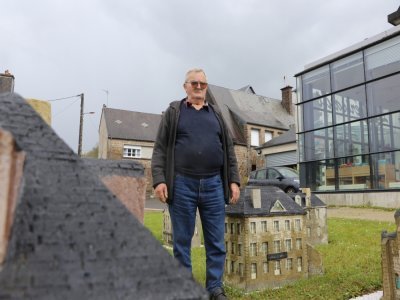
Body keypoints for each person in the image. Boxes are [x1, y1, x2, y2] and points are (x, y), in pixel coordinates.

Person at [151, 68, 240, 300]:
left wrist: (234, 180)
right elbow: (160, 148)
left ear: (206, 87)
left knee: (216, 242)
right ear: (185, 87)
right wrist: (159, 179)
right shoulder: (174, 111)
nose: (199, 87)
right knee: (181, 242)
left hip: (213, 184)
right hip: (182, 184)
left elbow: (229, 151)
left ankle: (214, 288)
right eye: (194, 83)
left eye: (203, 84)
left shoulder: (217, 114)